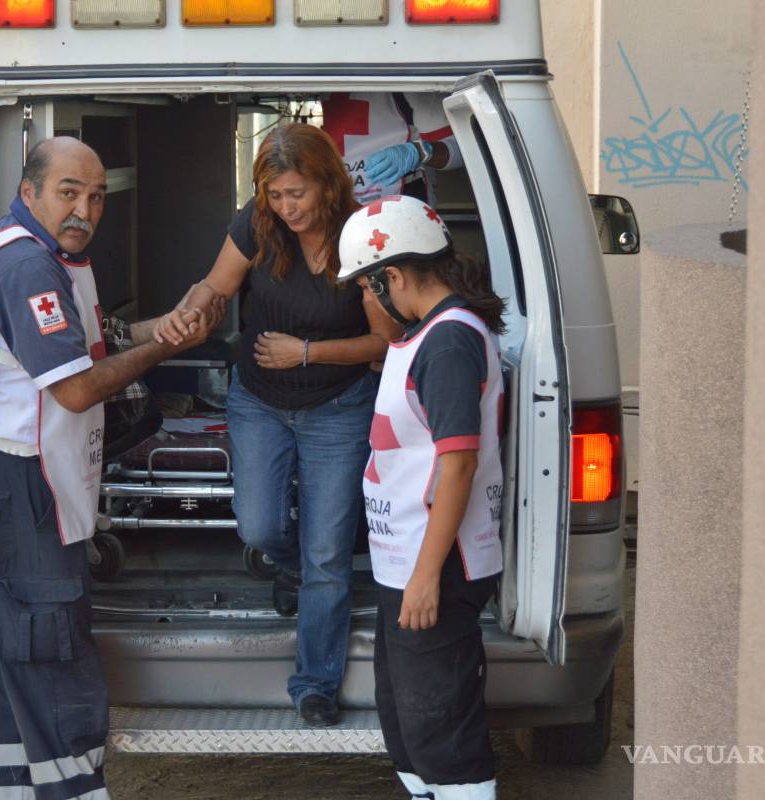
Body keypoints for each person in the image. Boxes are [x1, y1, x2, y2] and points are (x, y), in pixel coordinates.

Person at [0, 137, 212, 800]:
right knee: (48, 653)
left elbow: (91, 331)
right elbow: (76, 388)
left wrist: (165, 326)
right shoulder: (27, 268)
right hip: (17, 490)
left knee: (3, 659)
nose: (84, 208)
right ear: (29, 192)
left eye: (97, 196)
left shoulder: (36, 252)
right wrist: (165, 350)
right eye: (68, 192)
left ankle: (6, 789)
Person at [155, 123, 399, 727]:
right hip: (259, 398)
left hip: (339, 406)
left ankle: (315, 681)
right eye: (275, 194)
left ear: (326, 184)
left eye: (298, 194)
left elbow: (385, 339)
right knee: (259, 526)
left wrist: (308, 352)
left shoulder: (359, 237)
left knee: (327, 552)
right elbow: (217, 285)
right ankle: (285, 565)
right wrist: (194, 310)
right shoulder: (256, 224)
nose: (287, 207)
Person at [336, 194, 506, 800]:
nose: (363, 302)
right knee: (409, 722)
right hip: (406, 561)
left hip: (438, 564)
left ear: (395, 277)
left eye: (364, 288)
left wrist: (427, 577)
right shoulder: (425, 336)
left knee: (443, 730)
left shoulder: (449, 344)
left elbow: (456, 466)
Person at [321, 92, 462, 205]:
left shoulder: (403, 71)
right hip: (342, 205)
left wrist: (419, 152)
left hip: (403, 204)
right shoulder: (319, 74)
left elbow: (459, 149)